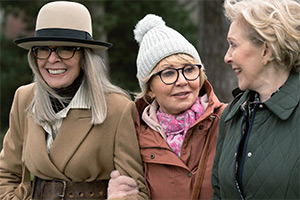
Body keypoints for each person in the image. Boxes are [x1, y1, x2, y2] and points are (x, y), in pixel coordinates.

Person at [0, 1, 148, 199]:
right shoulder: (24, 98)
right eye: (43, 49)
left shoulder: (117, 109)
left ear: (84, 56)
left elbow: (136, 191)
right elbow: (7, 174)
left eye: (65, 49)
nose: (52, 59)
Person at [212, 0, 300, 199]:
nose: (226, 57)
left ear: (266, 51)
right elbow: (219, 192)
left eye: (233, 44)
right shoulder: (231, 115)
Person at [133, 14, 225, 199]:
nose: (182, 81)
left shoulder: (228, 120)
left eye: (189, 69)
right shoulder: (134, 135)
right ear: (149, 89)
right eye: (168, 73)